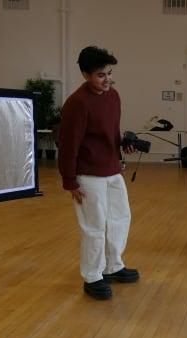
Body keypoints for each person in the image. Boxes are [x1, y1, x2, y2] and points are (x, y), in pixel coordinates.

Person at [58, 45, 140, 300]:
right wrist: (70, 181)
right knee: (94, 226)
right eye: (101, 75)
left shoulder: (113, 96)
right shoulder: (76, 104)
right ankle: (92, 276)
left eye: (109, 73)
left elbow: (110, 133)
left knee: (119, 219)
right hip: (88, 176)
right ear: (85, 75)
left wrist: (121, 145)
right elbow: (68, 145)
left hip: (112, 170)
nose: (107, 80)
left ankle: (112, 266)